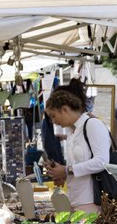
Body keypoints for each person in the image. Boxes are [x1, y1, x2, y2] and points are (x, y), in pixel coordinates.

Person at [42, 80, 111, 212]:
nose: (53, 121)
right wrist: (62, 174)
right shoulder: (72, 131)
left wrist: (66, 170)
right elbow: (79, 165)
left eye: (54, 116)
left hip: (92, 200)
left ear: (64, 109)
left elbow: (102, 162)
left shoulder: (92, 125)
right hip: (76, 199)